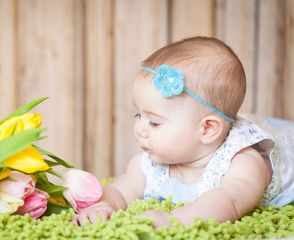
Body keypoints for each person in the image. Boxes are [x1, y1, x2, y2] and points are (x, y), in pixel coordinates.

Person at [71, 36, 294, 228]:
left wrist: (175, 219)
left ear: (207, 129)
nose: (139, 129)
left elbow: (227, 202)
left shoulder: (242, 162)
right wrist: (103, 205)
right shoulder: (149, 164)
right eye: (138, 115)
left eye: (155, 123)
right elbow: (122, 189)